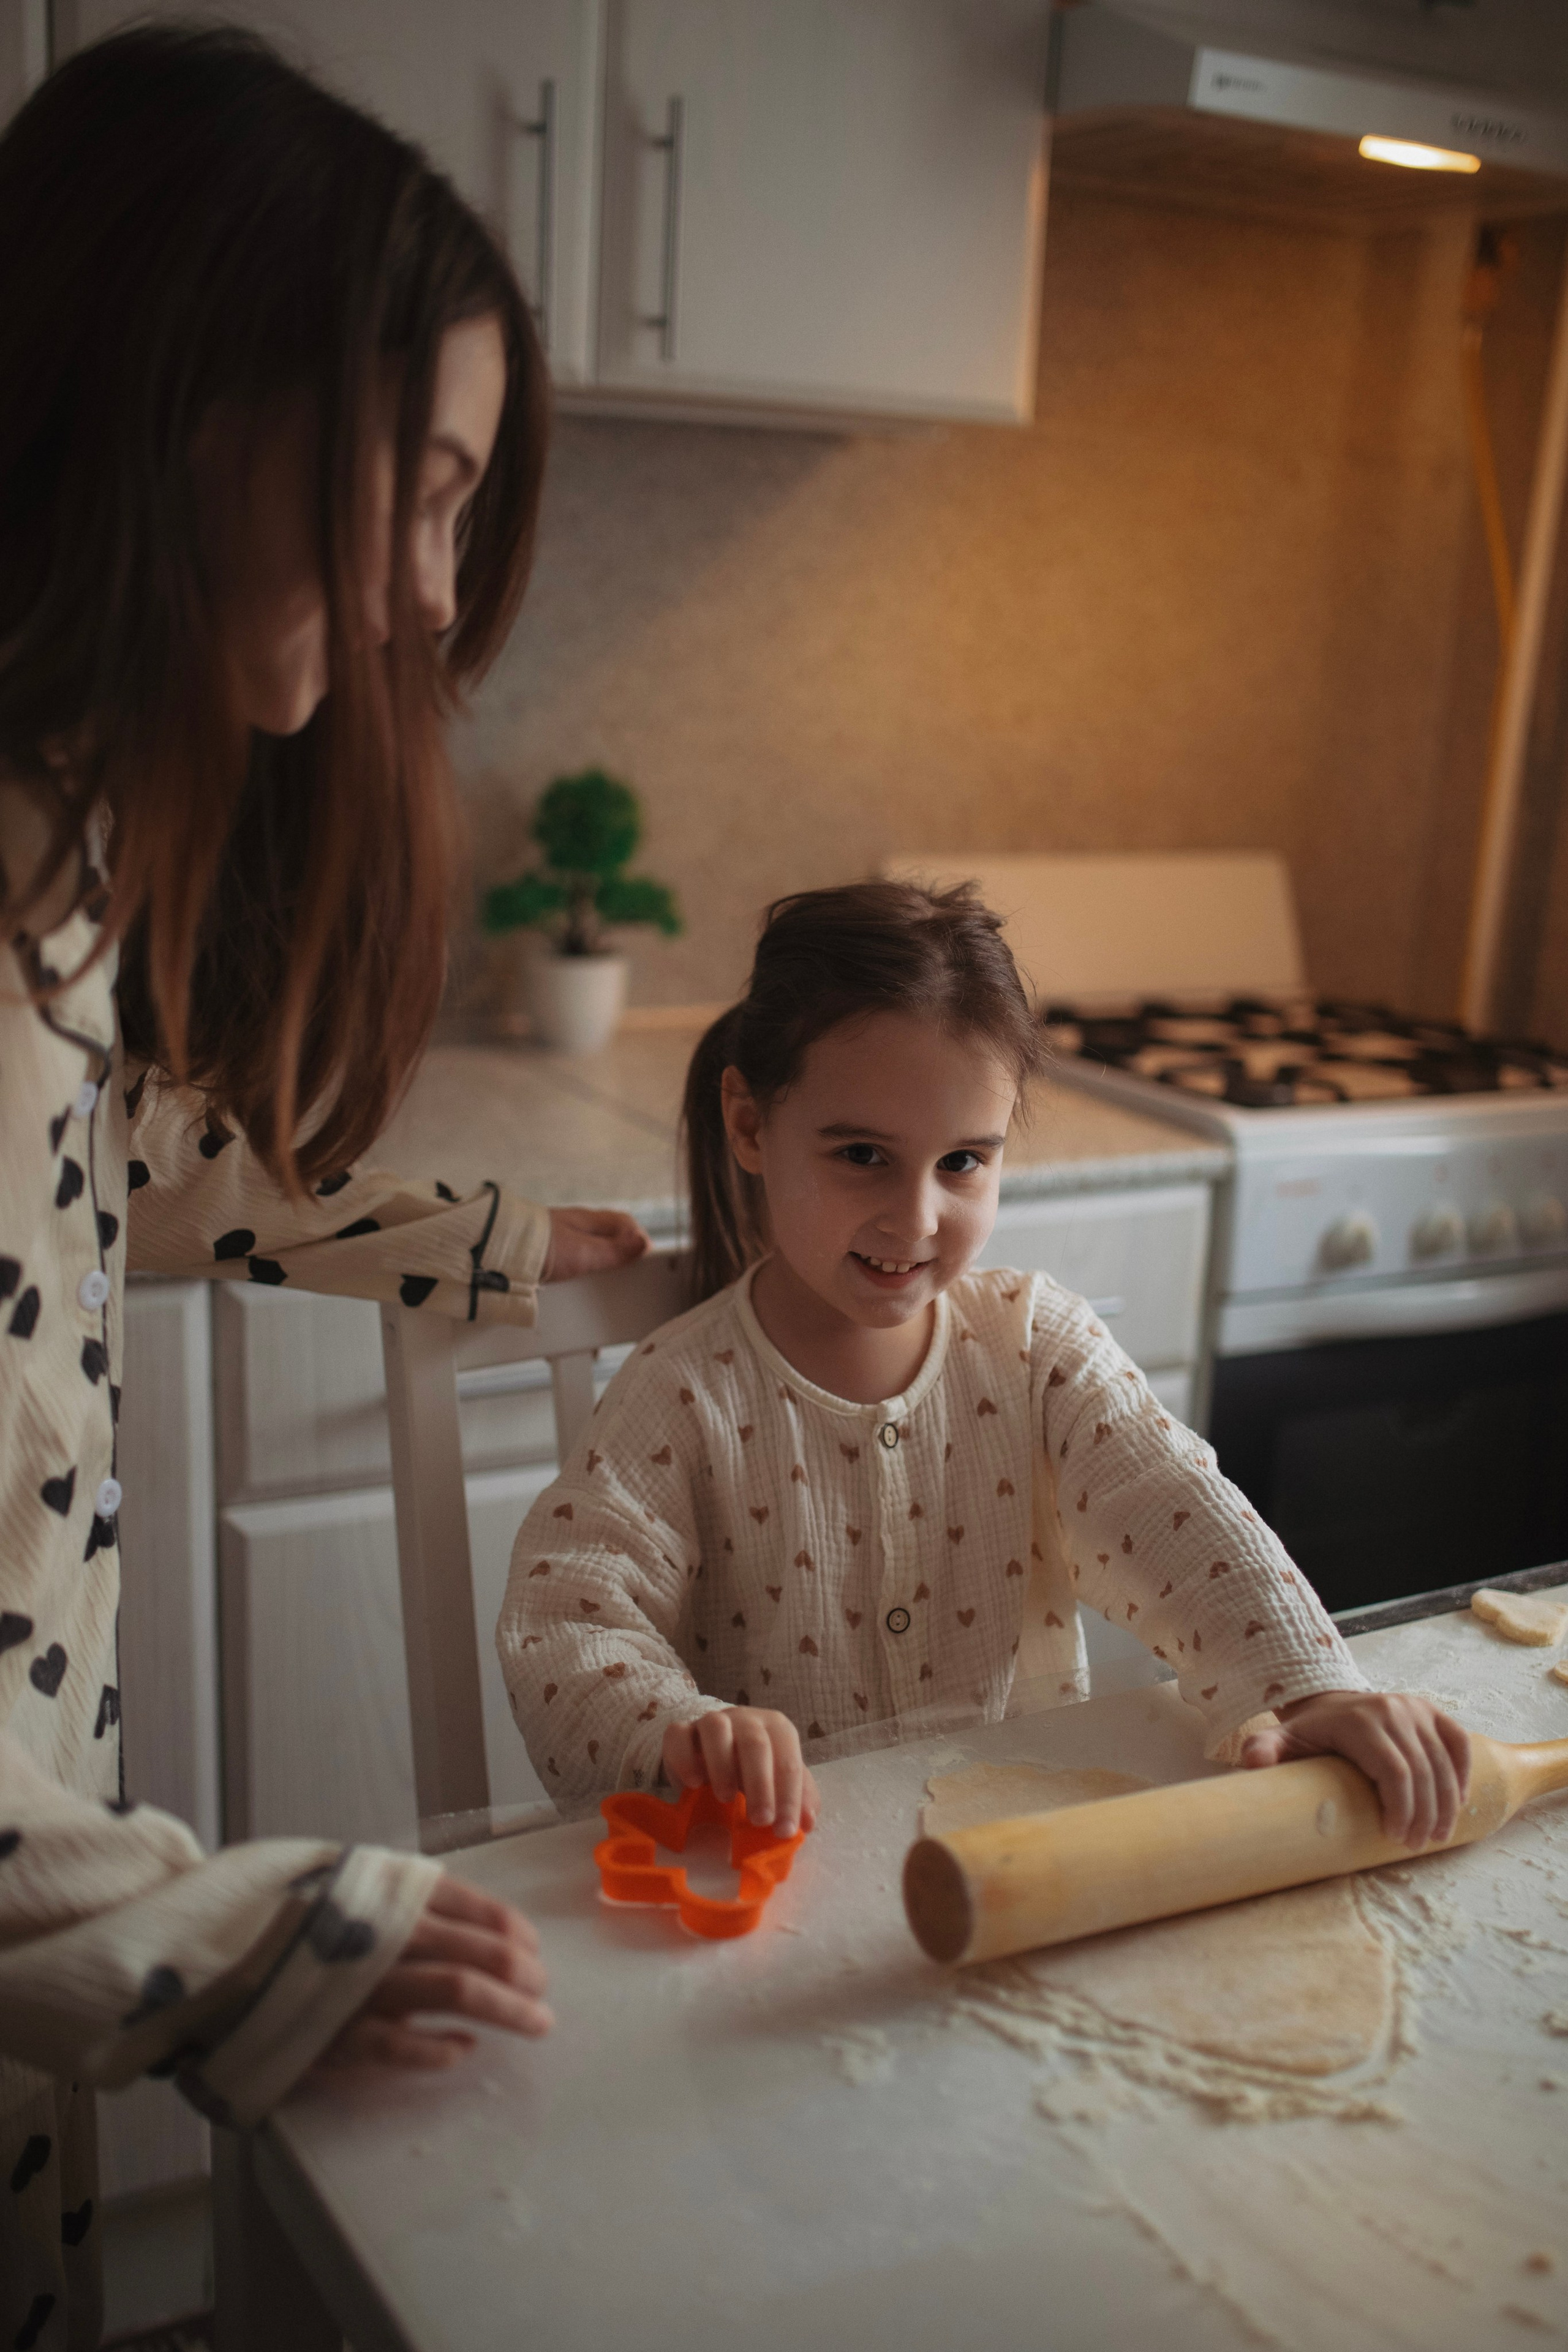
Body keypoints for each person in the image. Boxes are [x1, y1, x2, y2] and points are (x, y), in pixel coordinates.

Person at [0, 24, 647, 2347]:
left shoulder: (47, 873)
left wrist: (457, 1243)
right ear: (192, 397)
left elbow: (123, 1179)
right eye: (430, 484)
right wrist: (250, 1944)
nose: (428, 595)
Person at [498, 881, 1471, 1853]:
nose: (916, 1218)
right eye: (865, 1155)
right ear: (751, 1127)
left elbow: (1183, 1519)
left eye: (963, 1162)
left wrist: (1314, 1687)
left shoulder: (1036, 1345)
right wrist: (679, 1733)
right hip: (793, 1886)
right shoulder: (680, 1391)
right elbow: (567, 1618)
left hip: (1024, 1863)